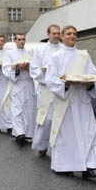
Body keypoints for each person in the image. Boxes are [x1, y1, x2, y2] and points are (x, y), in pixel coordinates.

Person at [45, 25, 96, 178]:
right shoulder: (56, 57)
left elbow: (94, 75)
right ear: (62, 37)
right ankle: (64, 165)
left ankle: (88, 165)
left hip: (82, 100)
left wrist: (89, 84)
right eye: (69, 34)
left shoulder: (84, 56)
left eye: (74, 34)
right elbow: (50, 80)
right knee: (66, 134)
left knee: (88, 132)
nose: (72, 36)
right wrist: (68, 83)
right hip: (66, 101)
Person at [30, 24, 62, 156]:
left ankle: (56, 147)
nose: (56, 36)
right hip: (46, 89)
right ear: (48, 34)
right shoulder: (40, 50)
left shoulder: (63, 49)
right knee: (46, 119)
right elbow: (34, 70)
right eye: (54, 33)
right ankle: (42, 145)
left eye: (58, 33)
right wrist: (45, 72)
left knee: (58, 119)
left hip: (60, 90)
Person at [2, 34, 36, 146]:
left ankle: (28, 132)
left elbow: (36, 67)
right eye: (19, 39)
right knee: (17, 109)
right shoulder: (10, 54)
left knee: (29, 110)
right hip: (17, 83)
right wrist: (17, 69)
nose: (22, 41)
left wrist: (28, 67)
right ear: (15, 41)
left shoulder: (30, 53)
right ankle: (19, 133)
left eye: (23, 39)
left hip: (29, 84)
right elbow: (6, 69)